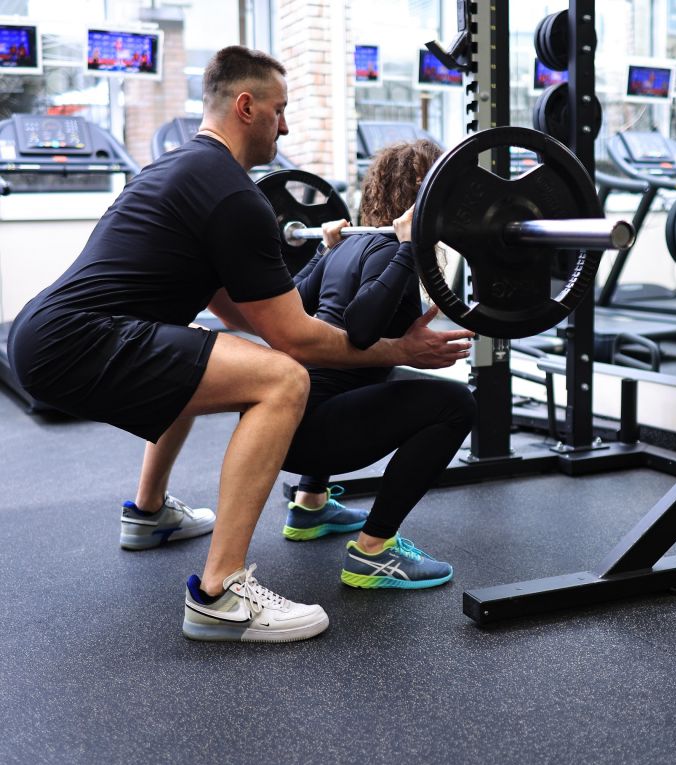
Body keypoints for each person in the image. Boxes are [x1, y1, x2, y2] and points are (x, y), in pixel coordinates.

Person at [6, 46, 472, 644]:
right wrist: (399, 351)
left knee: (203, 351)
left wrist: (328, 267)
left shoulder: (180, 170)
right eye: (279, 111)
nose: (286, 126)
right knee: (282, 378)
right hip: (76, 338)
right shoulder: (232, 193)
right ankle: (219, 592)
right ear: (246, 106)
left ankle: (149, 515)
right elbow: (295, 338)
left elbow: (239, 309)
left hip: (45, 332)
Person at [280, 139, 476, 589]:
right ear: (426, 197)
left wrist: (324, 253)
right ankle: (374, 550)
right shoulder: (392, 250)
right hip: (314, 435)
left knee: (372, 377)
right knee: (455, 404)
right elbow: (361, 329)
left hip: (284, 429)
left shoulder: (350, 245)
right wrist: (409, 250)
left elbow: (294, 302)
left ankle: (310, 504)